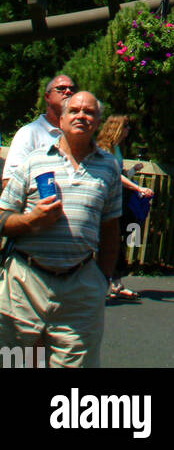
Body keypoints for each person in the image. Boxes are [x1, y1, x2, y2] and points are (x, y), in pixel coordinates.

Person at [0, 91, 121, 367]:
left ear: (98, 120)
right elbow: (2, 217)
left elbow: (111, 228)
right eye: (75, 110)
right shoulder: (34, 161)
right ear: (62, 120)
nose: (82, 116)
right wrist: (32, 220)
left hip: (80, 284)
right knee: (15, 362)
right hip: (25, 283)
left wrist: (102, 278)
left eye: (89, 112)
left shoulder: (109, 168)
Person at [95, 115, 154, 301]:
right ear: (117, 128)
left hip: (117, 199)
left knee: (116, 238)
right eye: (126, 126)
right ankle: (104, 282)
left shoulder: (118, 149)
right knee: (104, 240)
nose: (128, 130)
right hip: (104, 200)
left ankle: (116, 283)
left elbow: (120, 174)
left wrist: (133, 171)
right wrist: (138, 188)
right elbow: (114, 175)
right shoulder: (105, 148)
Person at [1, 74, 77, 187]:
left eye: (72, 89)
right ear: (47, 97)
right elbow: (9, 182)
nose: (68, 92)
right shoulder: (28, 134)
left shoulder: (79, 135)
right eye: (61, 88)